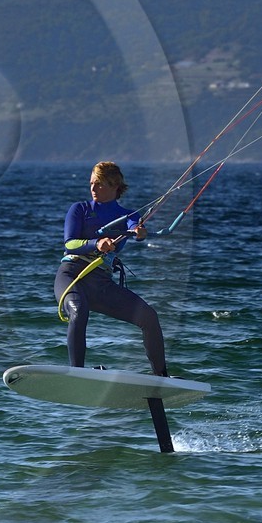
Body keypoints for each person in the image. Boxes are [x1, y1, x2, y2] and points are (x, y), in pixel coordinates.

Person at [53, 161, 169, 376]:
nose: (93, 189)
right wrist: (95, 244)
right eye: (91, 184)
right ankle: (76, 373)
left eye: (99, 184)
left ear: (115, 185)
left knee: (149, 317)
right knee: (79, 311)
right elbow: (69, 243)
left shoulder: (129, 215)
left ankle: (161, 377)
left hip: (101, 283)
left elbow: (134, 227)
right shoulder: (80, 209)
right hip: (72, 275)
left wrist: (139, 232)